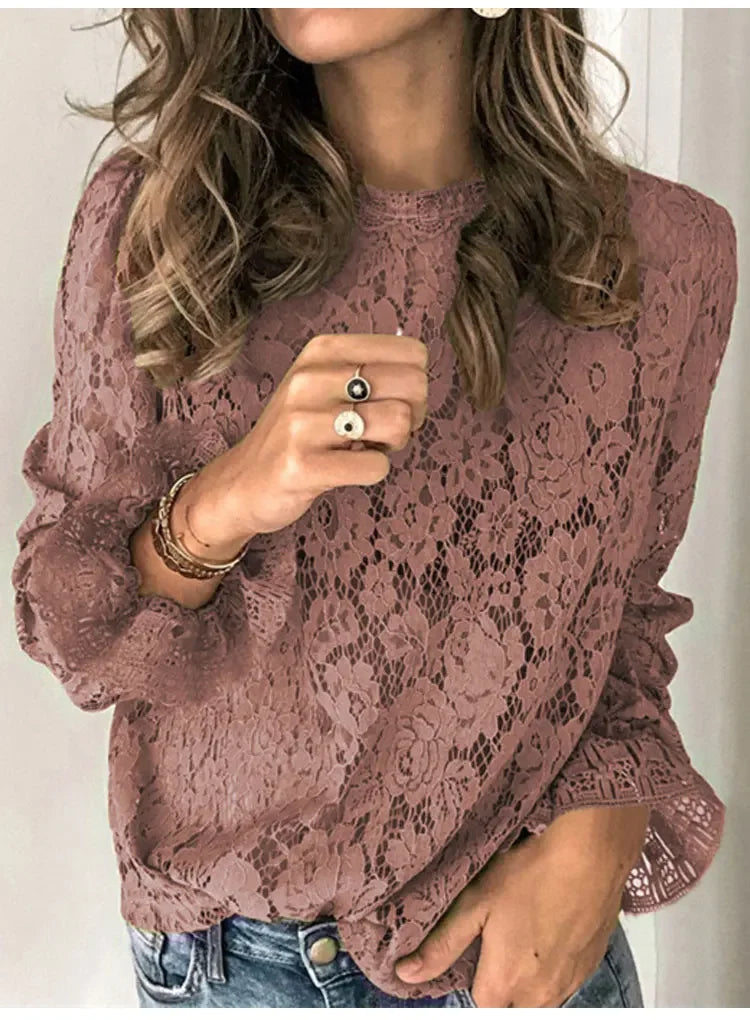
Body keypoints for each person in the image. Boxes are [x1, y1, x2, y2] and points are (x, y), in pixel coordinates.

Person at [12, 7, 737, 1009]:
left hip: (522, 954)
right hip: (249, 971)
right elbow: (72, 638)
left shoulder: (660, 255)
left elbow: (619, 621)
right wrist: (227, 500)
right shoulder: (163, 223)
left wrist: (606, 820)